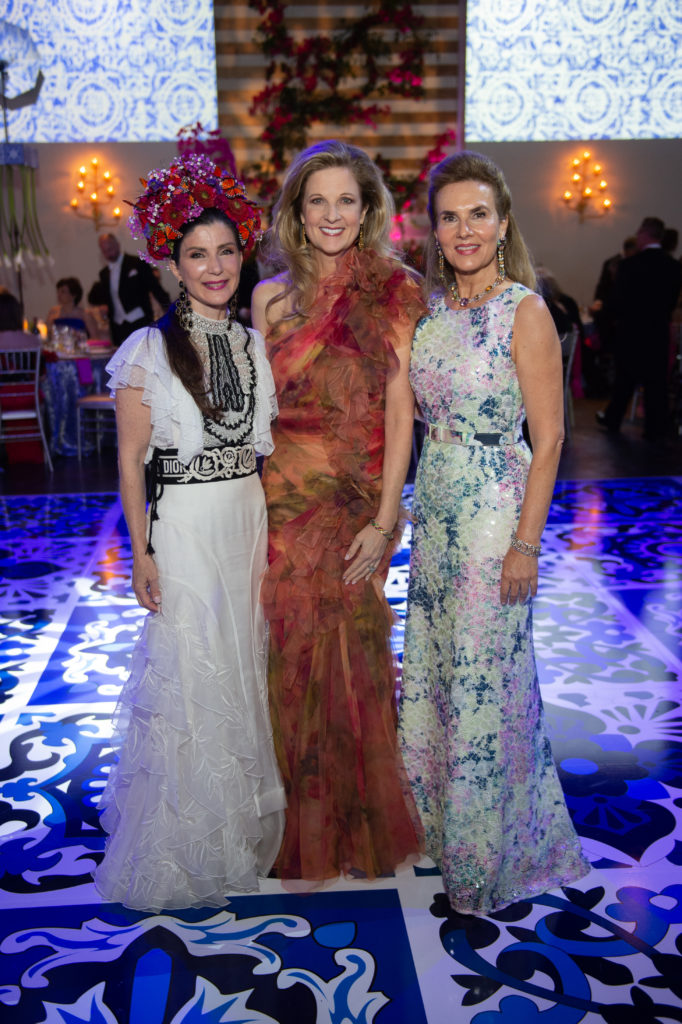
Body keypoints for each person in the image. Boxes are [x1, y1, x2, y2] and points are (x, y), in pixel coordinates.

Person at [398, 150, 589, 917]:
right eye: (450, 216)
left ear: (503, 223)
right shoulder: (431, 312)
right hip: (435, 507)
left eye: (479, 214)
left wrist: (524, 543)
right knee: (441, 674)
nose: (465, 228)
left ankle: (487, 857)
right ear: (435, 231)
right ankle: (439, 831)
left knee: (487, 684)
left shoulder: (525, 310)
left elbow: (549, 439)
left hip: (491, 514)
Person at [94, 153, 285, 910]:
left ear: (244, 256)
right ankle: (186, 843)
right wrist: (140, 551)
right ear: (173, 265)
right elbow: (131, 464)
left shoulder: (250, 345)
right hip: (184, 526)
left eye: (226, 252)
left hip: (246, 517)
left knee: (244, 664)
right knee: (194, 666)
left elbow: (263, 450)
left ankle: (240, 827)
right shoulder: (147, 351)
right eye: (197, 255)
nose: (214, 267)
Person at [251, 139, 425, 884]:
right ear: (295, 211)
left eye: (345, 201)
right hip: (279, 498)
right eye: (316, 200)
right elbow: (253, 411)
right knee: (287, 650)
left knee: (354, 651)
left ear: (367, 210)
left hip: (358, 499)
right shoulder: (267, 299)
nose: (331, 214)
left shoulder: (399, 290)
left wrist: (387, 519)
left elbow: (401, 407)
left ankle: (353, 821)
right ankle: (293, 810)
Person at [596, 216, 682, 441]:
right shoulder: (673, 267)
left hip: (631, 331)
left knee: (625, 379)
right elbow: (672, 301)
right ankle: (655, 428)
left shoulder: (629, 265)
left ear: (645, 234)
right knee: (656, 383)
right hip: (658, 332)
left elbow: (618, 301)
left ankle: (613, 419)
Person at [88, 232, 170, 347]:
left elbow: (156, 288)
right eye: (105, 250)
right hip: (117, 326)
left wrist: (169, 311)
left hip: (139, 320)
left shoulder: (137, 263)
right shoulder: (104, 273)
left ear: (117, 244)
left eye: (110, 248)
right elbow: (103, 297)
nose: (108, 252)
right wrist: (104, 306)